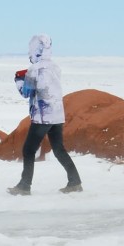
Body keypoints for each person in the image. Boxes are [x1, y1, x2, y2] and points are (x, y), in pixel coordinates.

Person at [8, 33, 82, 195]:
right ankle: (75, 182)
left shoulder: (34, 69)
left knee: (28, 150)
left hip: (42, 116)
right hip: (57, 116)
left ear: (35, 50)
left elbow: (26, 92)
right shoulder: (55, 67)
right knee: (59, 150)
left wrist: (19, 80)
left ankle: (24, 186)